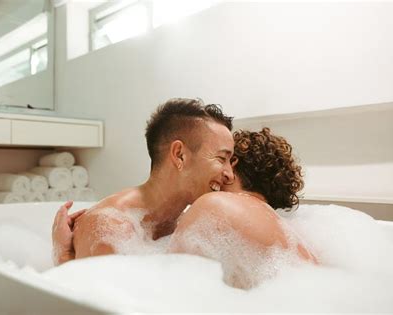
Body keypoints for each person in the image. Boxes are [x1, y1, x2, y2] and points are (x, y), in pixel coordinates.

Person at [52, 98, 235, 265]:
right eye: (221, 158)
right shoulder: (110, 228)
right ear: (180, 155)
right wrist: (63, 256)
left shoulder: (185, 227)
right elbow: (85, 299)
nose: (230, 175)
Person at [168, 127, 318, 289]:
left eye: (222, 159)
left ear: (231, 166)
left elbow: (170, 283)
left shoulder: (214, 205)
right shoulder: (286, 231)